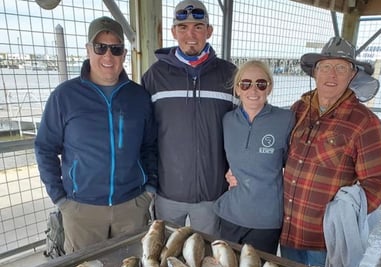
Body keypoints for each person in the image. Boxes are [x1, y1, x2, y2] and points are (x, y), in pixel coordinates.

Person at [35, 16, 157, 253]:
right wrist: (61, 199)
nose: (108, 56)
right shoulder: (64, 96)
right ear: (88, 50)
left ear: (124, 53)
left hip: (131, 207)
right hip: (82, 211)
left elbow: (150, 146)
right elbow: (45, 148)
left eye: (116, 48)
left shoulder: (139, 96)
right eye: (100, 48)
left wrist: (149, 190)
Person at [280, 37, 381, 267]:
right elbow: (278, 156)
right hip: (289, 232)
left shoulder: (365, 122)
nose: (332, 75)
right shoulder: (299, 109)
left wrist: (344, 219)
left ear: (352, 75)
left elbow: (379, 183)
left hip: (325, 244)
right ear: (315, 72)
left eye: (341, 68)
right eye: (326, 67)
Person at [141, 1, 237, 236]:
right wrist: (150, 181)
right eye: (182, 27)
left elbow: (243, 127)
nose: (190, 34)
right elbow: (144, 135)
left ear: (209, 31)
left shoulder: (229, 74)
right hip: (167, 193)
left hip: (212, 194)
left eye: (198, 26)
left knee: (205, 259)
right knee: (165, 258)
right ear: (173, 32)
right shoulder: (154, 76)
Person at [213, 60, 295, 254]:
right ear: (237, 89)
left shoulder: (286, 119)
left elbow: (292, 163)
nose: (253, 90)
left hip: (266, 219)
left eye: (261, 84)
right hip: (231, 214)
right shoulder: (227, 120)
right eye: (245, 83)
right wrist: (228, 171)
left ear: (269, 88)